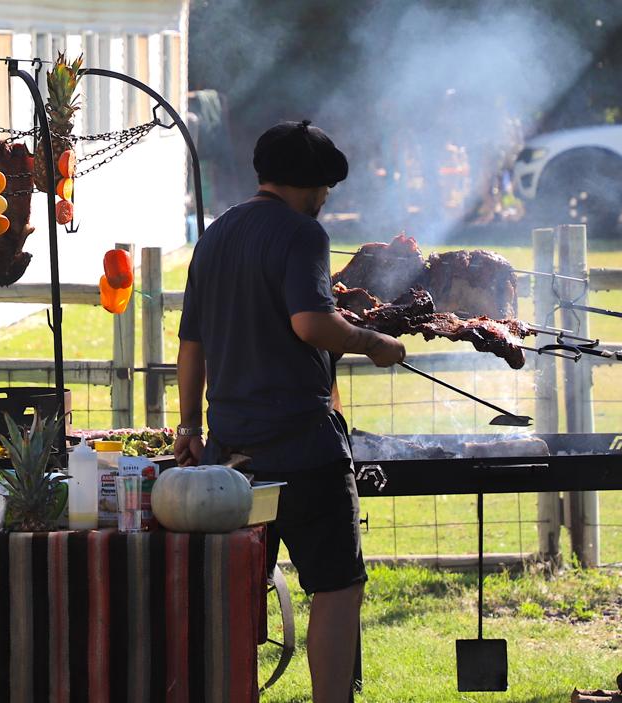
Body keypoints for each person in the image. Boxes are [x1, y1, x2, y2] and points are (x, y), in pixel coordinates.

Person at [173, 120, 405, 703]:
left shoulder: (216, 235)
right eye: (326, 188)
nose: (326, 200)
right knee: (335, 587)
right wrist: (377, 344)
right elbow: (312, 323)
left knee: (238, 592)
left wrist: (188, 427)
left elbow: (191, 346)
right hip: (301, 447)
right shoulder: (303, 234)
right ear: (313, 185)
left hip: (231, 451)